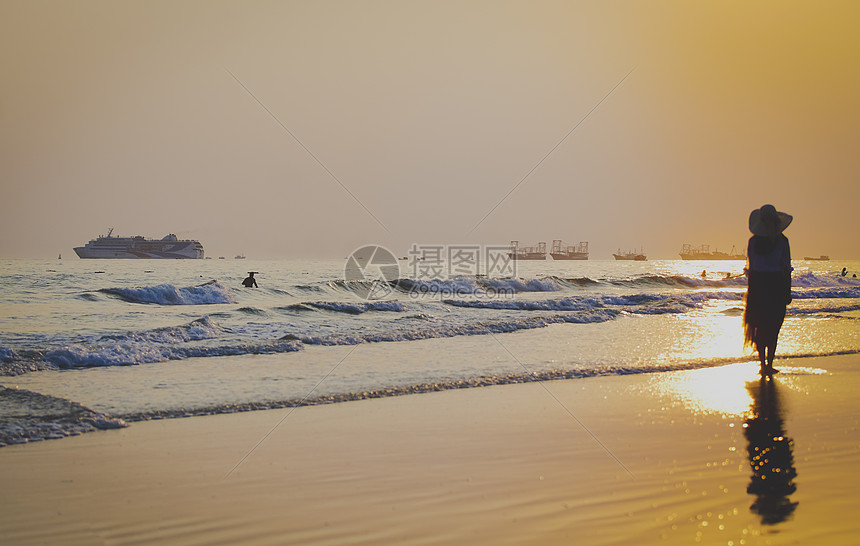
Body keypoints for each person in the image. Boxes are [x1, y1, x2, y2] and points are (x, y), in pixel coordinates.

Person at [744, 204, 793, 376]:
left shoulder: (755, 242)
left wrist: (787, 290)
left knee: (767, 327)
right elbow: (786, 268)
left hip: (762, 286)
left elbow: (753, 268)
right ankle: (765, 364)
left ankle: (766, 364)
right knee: (768, 328)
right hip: (770, 286)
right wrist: (787, 290)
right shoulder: (781, 241)